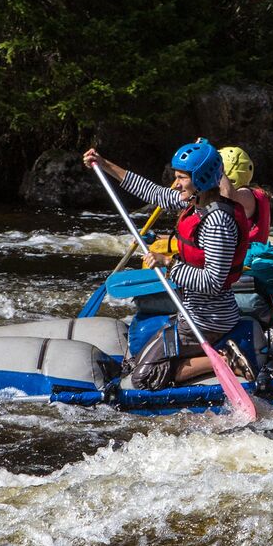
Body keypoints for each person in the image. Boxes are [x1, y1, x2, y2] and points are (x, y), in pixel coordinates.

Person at [82, 139, 250, 387]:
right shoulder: (193, 202)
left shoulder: (217, 222)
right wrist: (104, 165)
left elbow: (213, 282)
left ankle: (226, 360)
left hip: (209, 319)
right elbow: (153, 192)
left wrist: (169, 263)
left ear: (201, 179)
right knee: (134, 362)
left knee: (143, 378)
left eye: (182, 177)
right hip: (192, 312)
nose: (177, 182)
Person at [217, 146, 272, 244]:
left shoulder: (247, 195)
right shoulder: (254, 192)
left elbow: (229, 195)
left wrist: (217, 167)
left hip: (247, 255)